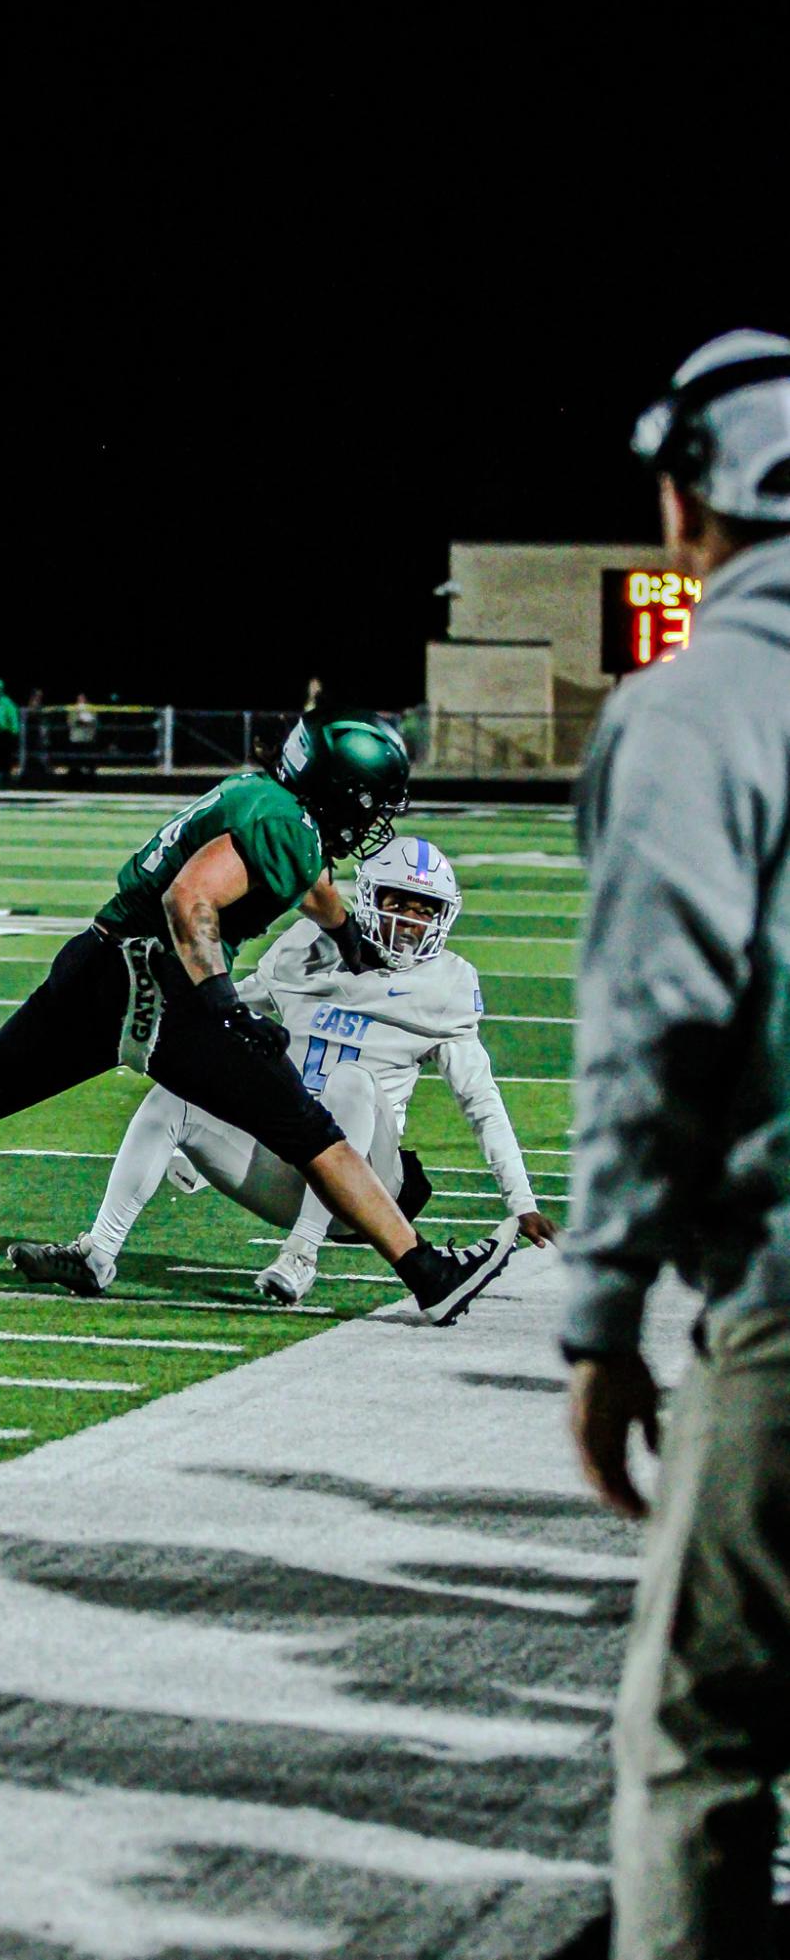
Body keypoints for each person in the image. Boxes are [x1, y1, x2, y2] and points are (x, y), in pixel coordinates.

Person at [0, 709, 522, 1321]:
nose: (376, 817)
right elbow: (191, 899)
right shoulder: (283, 824)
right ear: (343, 793)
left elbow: (300, 877)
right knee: (311, 1129)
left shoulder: (266, 802)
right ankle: (430, 1276)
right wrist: (220, 1006)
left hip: (96, 962)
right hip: (161, 981)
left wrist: (346, 934)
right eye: (373, 801)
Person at [561, 328, 790, 1959]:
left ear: (689, 489)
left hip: (782, 1297)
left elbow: (653, 1031)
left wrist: (597, 1320)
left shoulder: (700, 703)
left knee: (695, 1745)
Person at [11, 834, 554, 1307]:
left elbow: (480, 1102)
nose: (410, 922)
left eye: (423, 910)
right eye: (399, 902)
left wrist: (521, 1201)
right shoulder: (307, 949)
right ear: (366, 900)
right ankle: (97, 1253)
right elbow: (230, 1008)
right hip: (280, 1164)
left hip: (364, 1189)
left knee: (351, 1082)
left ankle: (301, 1255)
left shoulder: (447, 984)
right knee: (171, 1095)